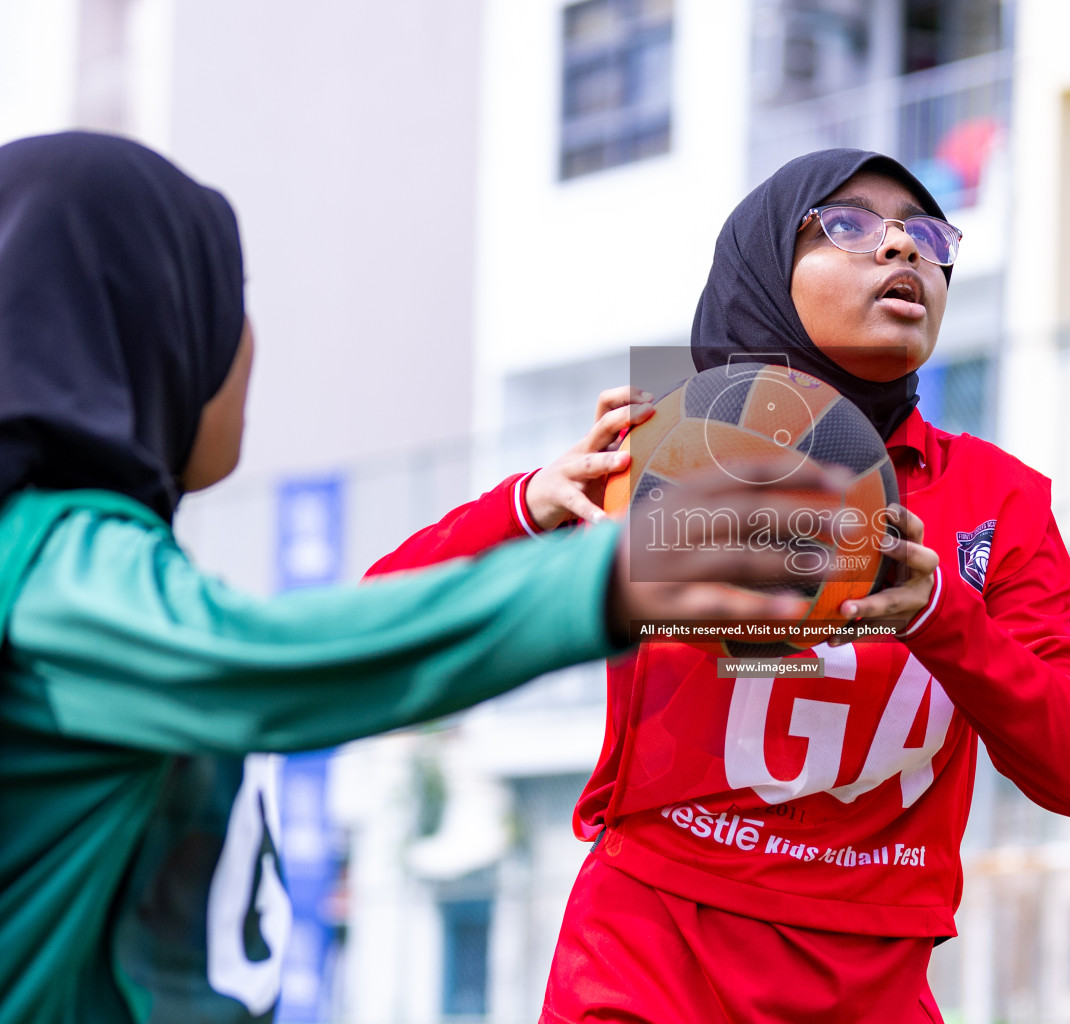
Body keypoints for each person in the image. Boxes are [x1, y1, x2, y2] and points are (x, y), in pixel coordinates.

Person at [0, 132, 839, 1024]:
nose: (246, 343)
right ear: (150, 325)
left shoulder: (80, 555)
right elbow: (264, 660)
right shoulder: (49, 559)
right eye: (225, 300)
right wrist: (612, 575)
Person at [369, 148, 1070, 1021]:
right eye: (848, 225)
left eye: (925, 234)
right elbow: (386, 623)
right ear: (765, 262)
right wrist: (529, 504)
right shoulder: (663, 455)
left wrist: (941, 614)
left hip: (872, 979)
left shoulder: (997, 498)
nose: (902, 251)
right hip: (649, 963)